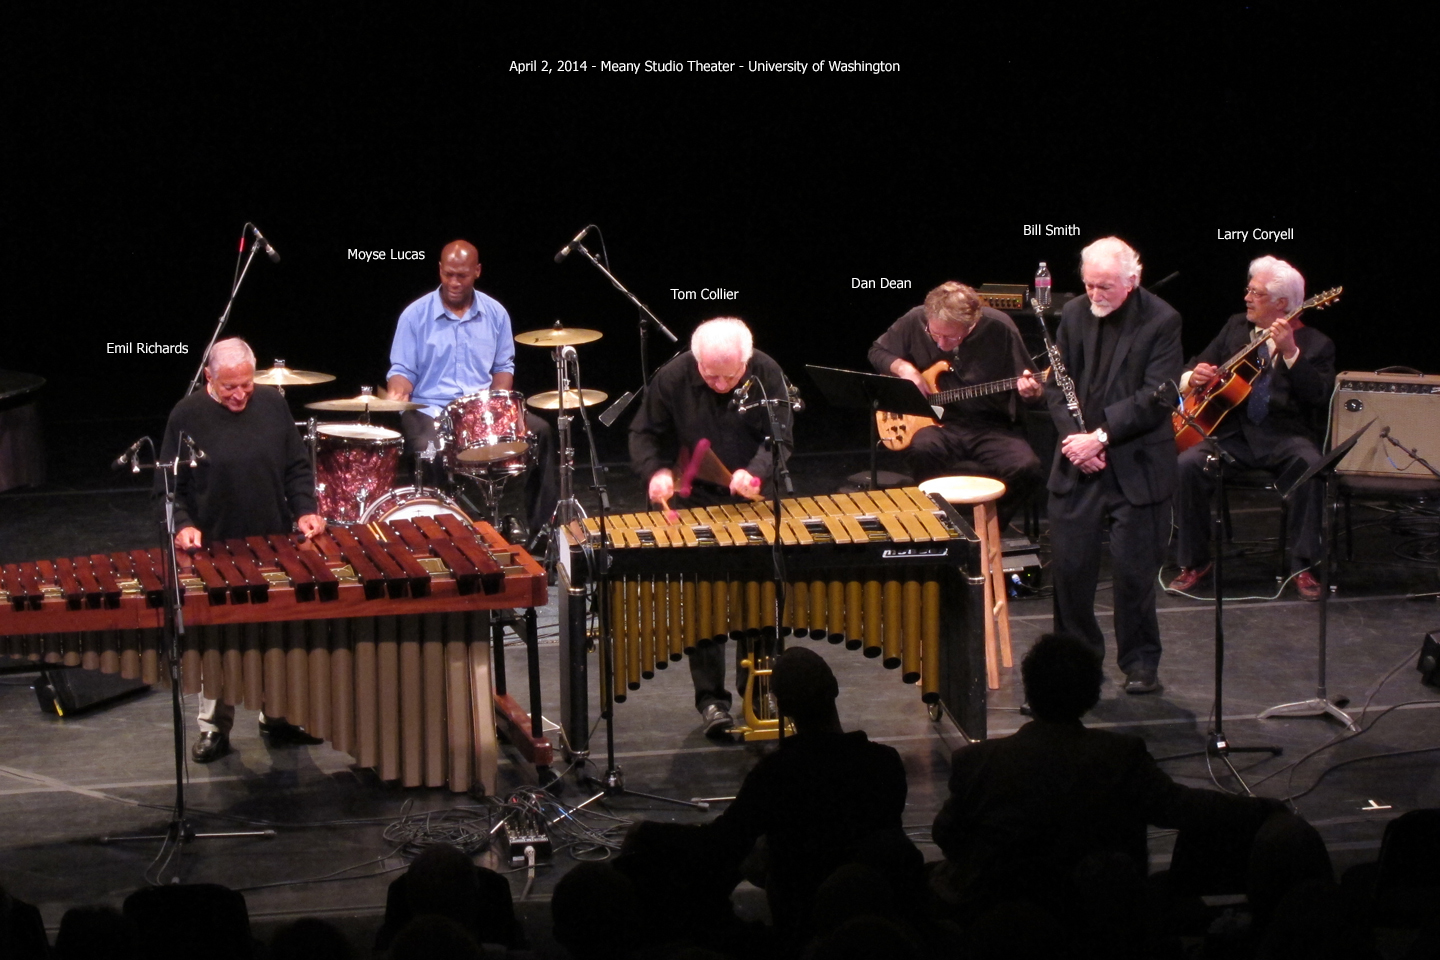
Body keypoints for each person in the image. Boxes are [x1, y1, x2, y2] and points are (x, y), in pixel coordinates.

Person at [931, 633, 1275, 915]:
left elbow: (947, 835)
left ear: (1030, 693)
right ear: (1092, 695)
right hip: (1098, 920)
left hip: (1004, 922)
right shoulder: (1120, 756)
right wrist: (1263, 809)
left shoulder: (976, 761)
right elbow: (1180, 807)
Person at [155, 338, 327, 763]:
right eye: (230, 387)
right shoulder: (186, 414)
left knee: (278, 635)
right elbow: (167, 486)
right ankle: (214, 728)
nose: (239, 395)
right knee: (219, 641)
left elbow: (296, 467)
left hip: (272, 541)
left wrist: (305, 510)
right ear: (209, 377)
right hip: (212, 547)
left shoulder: (272, 404)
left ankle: (280, 716)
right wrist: (183, 525)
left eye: (246, 386)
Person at [629, 317, 795, 737]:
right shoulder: (673, 376)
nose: (720, 384)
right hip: (696, 499)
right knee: (705, 605)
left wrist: (755, 473)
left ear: (747, 360)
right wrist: (655, 473)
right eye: (711, 375)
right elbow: (643, 433)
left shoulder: (767, 373)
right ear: (697, 360)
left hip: (753, 496)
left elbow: (780, 440)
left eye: (730, 375)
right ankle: (711, 701)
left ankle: (760, 691)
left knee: (761, 599)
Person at [1045, 237, 1182, 694]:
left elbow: (1157, 395)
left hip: (1136, 463)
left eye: (1105, 287)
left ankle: (1141, 663)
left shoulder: (1162, 319)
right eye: (1089, 285)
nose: (1095, 295)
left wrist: (1099, 438)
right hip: (1077, 460)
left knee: (1133, 573)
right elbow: (1057, 386)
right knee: (1069, 570)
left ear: (1132, 281)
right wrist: (1075, 443)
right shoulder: (1074, 314)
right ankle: (1077, 665)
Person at [1169, 256, 1334, 601]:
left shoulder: (1317, 344)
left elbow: (1318, 396)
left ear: (1282, 304)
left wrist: (1291, 353)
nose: (1246, 297)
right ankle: (1195, 563)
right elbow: (1191, 365)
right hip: (1231, 435)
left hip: (1284, 437)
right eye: (1248, 290)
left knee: (1311, 466)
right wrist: (1192, 377)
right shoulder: (1234, 328)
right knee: (1187, 465)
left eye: (1255, 293)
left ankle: (1303, 566)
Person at [386, 239, 557, 547]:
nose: (453, 282)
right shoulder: (414, 316)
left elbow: (503, 367)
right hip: (430, 409)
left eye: (461, 276)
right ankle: (444, 538)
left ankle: (542, 532)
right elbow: (402, 370)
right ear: (439, 270)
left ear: (477, 271)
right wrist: (398, 391)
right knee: (427, 446)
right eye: (448, 274)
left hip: (481, 411)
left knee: (542, 432)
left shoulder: (496, 314)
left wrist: (497, 409)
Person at [869, 281, 1044, 524]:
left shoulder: (1001, 328)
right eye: (935, 334)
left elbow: (1037, 390)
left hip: (990, 426)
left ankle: (986, 526)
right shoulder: (915, 319)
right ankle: (940, 522)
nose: (941, 344)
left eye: (951, 337)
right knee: (922, 449)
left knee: (1027, 467)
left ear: (971, 324)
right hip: (937, 423)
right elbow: (877, 351)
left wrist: (1030, 393)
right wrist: (904, 368)